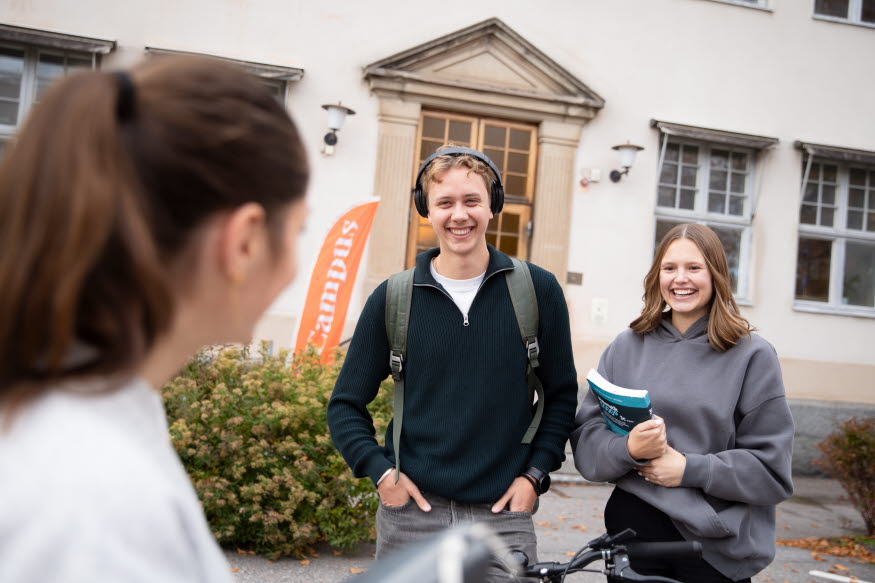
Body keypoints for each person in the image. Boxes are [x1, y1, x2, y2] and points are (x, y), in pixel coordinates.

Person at [0, 56, 309, 582]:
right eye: (299, 232)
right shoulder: (97, 503)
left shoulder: (75, 420)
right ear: (245, 242)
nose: (295, 265)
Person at [327, 146, 578, 581]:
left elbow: (561, 395)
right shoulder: (394, 298)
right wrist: (382, 473)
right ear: (427, 210)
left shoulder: (538, 290)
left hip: (503, 517)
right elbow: (345, 404)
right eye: (445, 202)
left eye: (471, 201)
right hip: (411, 517)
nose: (458, 215)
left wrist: (534, 476)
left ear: (493, 205)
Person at [572, 223, 794, 583]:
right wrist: (628, 447)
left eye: (694, 268)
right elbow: (586, 443)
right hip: (632, 539)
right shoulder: (627, 346)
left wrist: (691, 469)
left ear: (716, 274)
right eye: (669, 268)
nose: (680, 279)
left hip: (712, 549)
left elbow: (771, 472)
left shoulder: (753, 355)